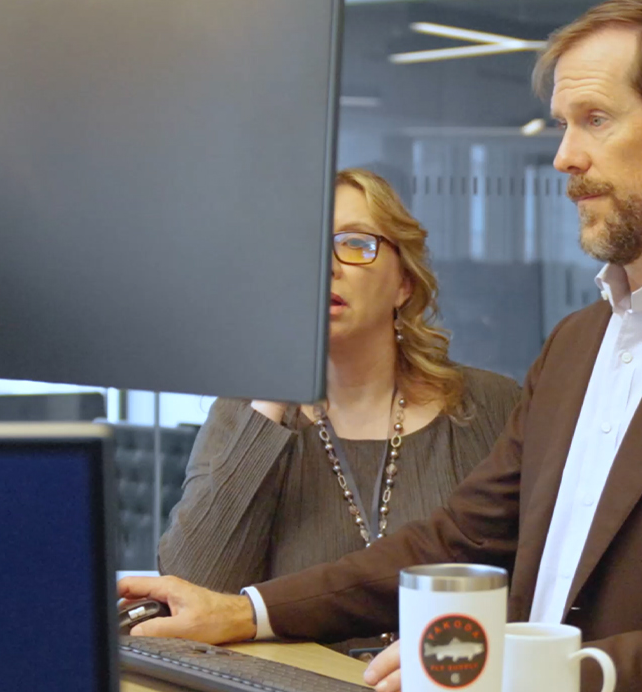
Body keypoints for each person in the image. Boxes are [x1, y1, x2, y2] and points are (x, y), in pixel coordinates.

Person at [120, 0, 642, 692]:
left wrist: (539, 673)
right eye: (563, 124)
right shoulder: (578, 342)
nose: (564, 156)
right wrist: (249, 610)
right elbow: (457, 537)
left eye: (594, 120)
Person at [153, 168, 522, 654]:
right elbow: (193, 586)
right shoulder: (245, 414)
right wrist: (275, 387)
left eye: (355, 244)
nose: (325, 266)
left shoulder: (489, 405)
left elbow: (534, 582)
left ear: (403, 285)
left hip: (449, 691)